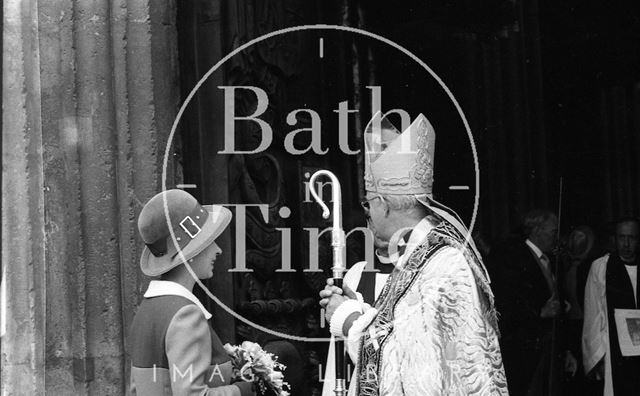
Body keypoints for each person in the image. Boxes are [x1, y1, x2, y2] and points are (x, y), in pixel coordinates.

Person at [319, 113, 507, 395]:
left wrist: (348, 318)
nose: (367, 212)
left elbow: (416, 375)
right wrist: (357, 309)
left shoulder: (441, 263)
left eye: (369, 203)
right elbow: (407, 340)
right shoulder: (423, 255)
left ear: (383, 204)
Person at [128, 189, 254, 396]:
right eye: (208, 241)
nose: (217, 250)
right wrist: (244, 389)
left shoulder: (148, 309)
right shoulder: (186, 315)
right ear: (191, 253)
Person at [490, 209, 566, 395]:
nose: (557, 237)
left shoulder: (549, 259)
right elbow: (506, 300)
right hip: (522, 349)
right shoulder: (513, 256)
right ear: (537, 230)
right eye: (553, 232)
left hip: (547, 348)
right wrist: (539, 312)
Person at [583, 217, 640, 396]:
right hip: (615, 347)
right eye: (622, 237)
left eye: (631, 237)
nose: (626, 243)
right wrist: (598, 355)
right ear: (614, 239)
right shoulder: (601, 267)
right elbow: (592, 312)